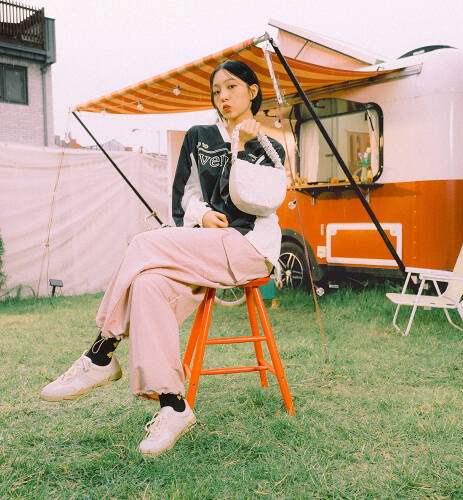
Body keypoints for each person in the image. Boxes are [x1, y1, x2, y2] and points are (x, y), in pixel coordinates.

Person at [40, 59, 286, 456]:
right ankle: (174, 406)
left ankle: (101, 353)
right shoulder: (199, 136)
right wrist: (201, 214)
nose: (222, 96)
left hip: (249, 247)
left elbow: (257, 202)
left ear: (252, 91)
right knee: (147, 284)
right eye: (216, 90)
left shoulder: (269, 146)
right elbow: (183, 195)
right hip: (206, 244)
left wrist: (242, 146)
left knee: (144, 244)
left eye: (231, 87)